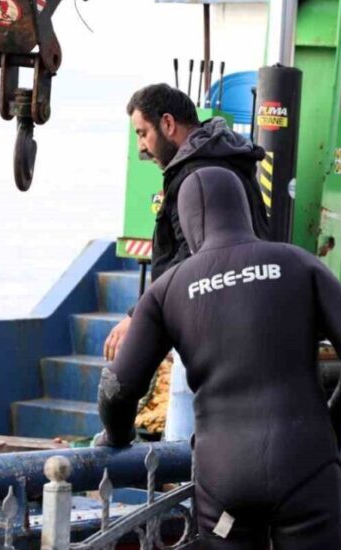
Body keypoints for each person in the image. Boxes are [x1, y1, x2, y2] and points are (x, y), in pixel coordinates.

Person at [94, 167, 341, 550]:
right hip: (304, 460)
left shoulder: (166, 290)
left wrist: (117, 437)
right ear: (246, 209)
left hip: (223, 472)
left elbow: (120, 389)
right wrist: (334, 423)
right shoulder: (298, 262)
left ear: (186, 222)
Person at [104, 83, 271, 441]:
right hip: (242, 322)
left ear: (167, 123)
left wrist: (138, 317)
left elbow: (189, 256)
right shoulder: (225, 159)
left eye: (142, 133)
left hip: (209, 323)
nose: (141, 148)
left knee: (182, 422)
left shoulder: (197, 174)